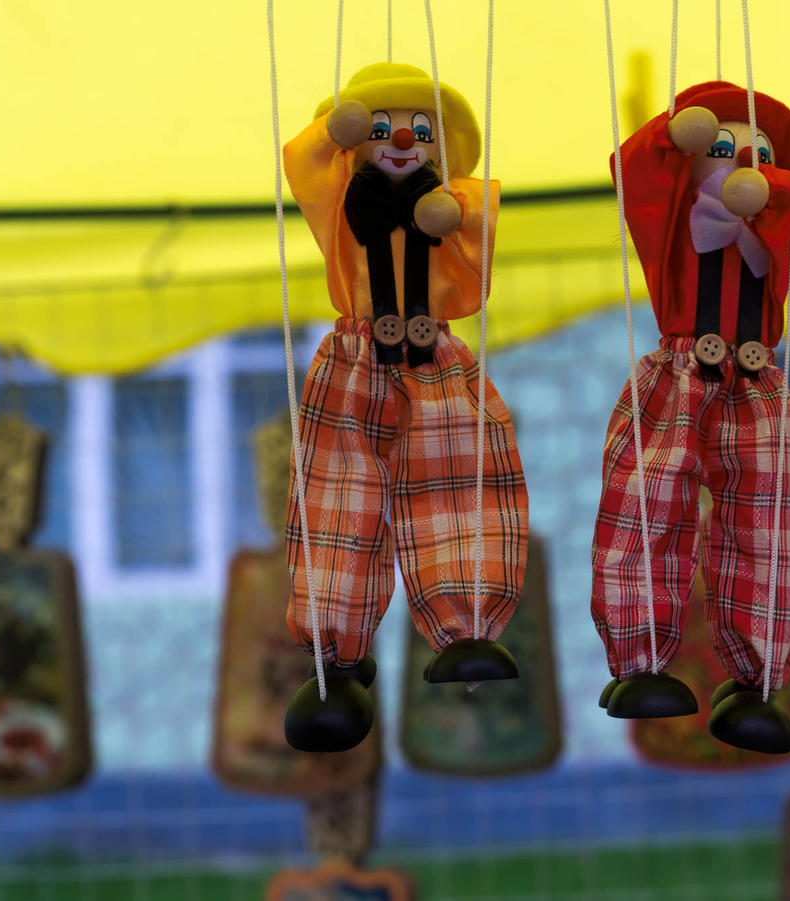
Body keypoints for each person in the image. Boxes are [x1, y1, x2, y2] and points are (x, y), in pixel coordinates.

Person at [279, 63, 528, 752]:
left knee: (458, 481)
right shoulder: (340, 192)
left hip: (435, 352)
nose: (399, 140)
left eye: (419, 129)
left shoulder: (450, 195)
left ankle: (467, 626)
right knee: (339, 493)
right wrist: (334, 130)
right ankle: (334, 658)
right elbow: (305, 161)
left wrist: (450, 211)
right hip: (354, 354)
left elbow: (471, 210)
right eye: (381, 127)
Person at [590, 81, 790, 754]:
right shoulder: (673, 211)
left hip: (758, 377)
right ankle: (640, 659)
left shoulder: (776, 213)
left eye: (759, 151)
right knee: (647, 500)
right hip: (679, 369)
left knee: (768, 519)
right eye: (721, 147)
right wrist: (669, 136)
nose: (743, 160)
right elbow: (634, 170)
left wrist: (766, 185)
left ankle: (759, 679)